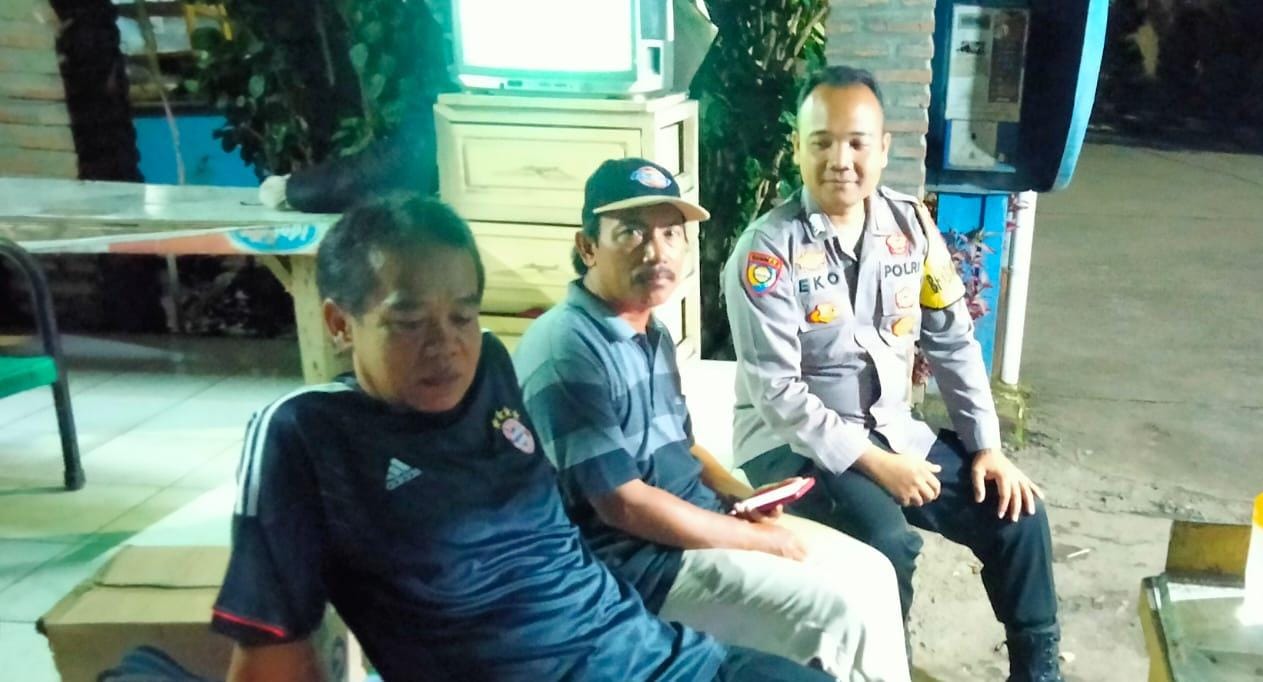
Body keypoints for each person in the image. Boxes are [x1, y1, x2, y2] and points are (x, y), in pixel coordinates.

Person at [210, 196, 834, 682]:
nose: (446, 345)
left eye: (463, 315)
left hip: (659, 656)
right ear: (340, 323)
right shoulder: (306, 433)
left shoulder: (491, 370)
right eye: (409, 321)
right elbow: (271, 657)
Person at [720, 65, 1062, 682]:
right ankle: (887, 670)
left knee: (1017, 513)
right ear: (797, 149)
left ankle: (1037, 672)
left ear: (883, 149)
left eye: (856, 142)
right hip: (792, 447)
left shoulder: (912, 228)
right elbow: (778, 394)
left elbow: (952, 341)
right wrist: (878, 465)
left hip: (892, 431)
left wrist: (987, 447)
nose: (840, 160)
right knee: (887, 544)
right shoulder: (767, 251)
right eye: (821, 142)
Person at [515, 158, 910, 682]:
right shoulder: (568, 348)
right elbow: (622, 504)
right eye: (631, 232)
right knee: (835, 614)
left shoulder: (650, 331)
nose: (657, 252)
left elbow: (683, 445)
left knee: (873, 573)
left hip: (696, 523)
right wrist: (755, 540)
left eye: (671, 233)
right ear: (588, 246)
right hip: (639, 564)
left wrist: (743, 497)